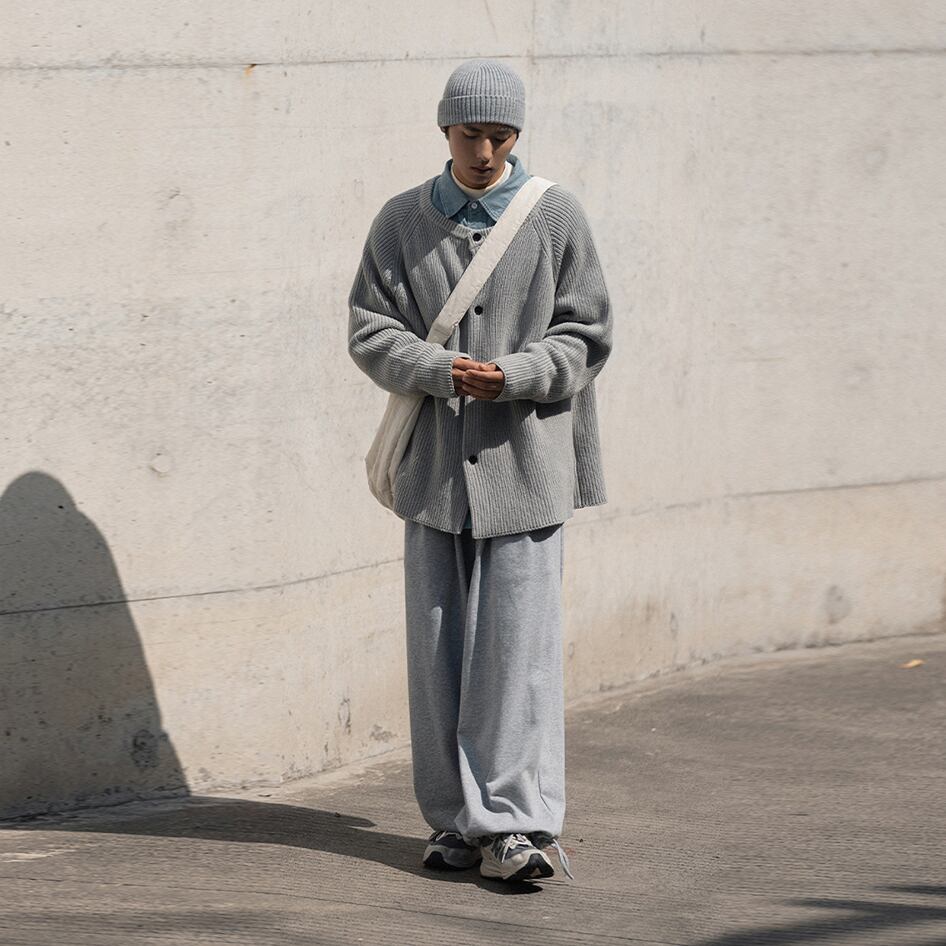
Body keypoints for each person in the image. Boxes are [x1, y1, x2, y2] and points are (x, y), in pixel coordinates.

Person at [347, 58, 612, 883]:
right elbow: (368, 328)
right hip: (435, 476)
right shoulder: (401, 221)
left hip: (526, 469)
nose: (487, 151)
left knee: (516, 656)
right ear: (445, 128)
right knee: (436, 656)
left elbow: (588, 332)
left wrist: (517, 374)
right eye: (472, 134)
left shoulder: (555, 215)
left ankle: (516, 826)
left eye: (502, 135)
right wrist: (437, 369)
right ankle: (453, 823)